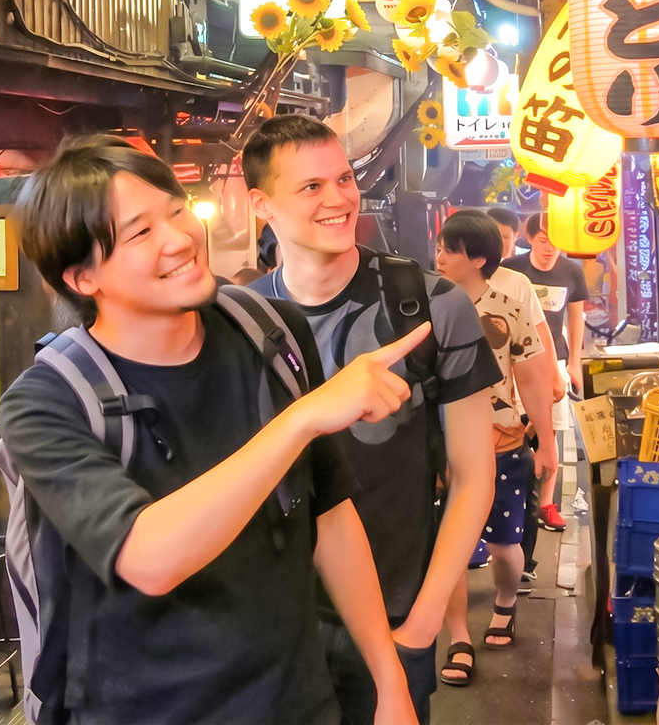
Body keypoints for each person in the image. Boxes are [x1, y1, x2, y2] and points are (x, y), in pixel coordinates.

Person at [0, 135, 420, 725]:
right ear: (83, 277)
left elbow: (328, 516)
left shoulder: (270, 335)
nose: (179, 239)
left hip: (296, 701)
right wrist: (302, 417)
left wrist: (388, 679)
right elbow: (149, 556)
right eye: (141, 232)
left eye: (176, 210)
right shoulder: (46, 402)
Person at [244, 115, 505, 723]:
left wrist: (422, 625)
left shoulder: (431, 307)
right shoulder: (240, 320)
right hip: (271, 625)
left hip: (394, 617)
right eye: (311, 187)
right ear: (262, 204)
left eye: (343, 179)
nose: (338, 199)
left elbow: (473, 476)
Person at [432, 211, 555, 685]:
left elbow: (531, 375)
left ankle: (505, 602)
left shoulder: (509, 304)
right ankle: (458, 636)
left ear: (477, 258)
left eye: (449, 249)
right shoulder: (425, 305)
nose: (439, 257)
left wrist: (544, 440)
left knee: (505, 545)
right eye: (440, 247)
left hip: (502, 442)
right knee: (451, 545)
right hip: (444, 448)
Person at [503, 213, 588, 532]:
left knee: (550, 430)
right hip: (514, 360)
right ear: (530, 239)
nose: (549, 248)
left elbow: (576, 318)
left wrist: (575, 363)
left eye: (555, 243)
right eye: (542, 241)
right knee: (515, 426)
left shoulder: (572, 272)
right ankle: (514, 494)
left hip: (554, 361)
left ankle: (547, 503)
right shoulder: (513, 269)